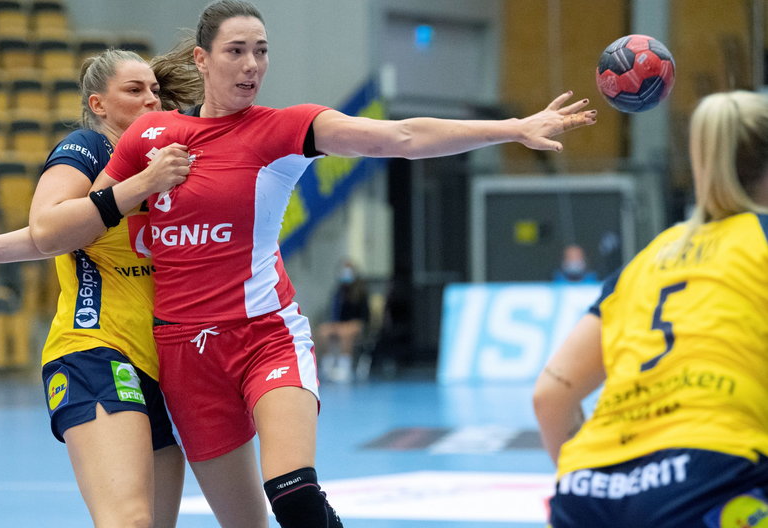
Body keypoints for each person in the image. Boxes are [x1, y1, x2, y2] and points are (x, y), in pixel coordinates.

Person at [93, 2, 597, 526]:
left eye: (261, 52)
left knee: (294, 493)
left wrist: (513, 128)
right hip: (184, 351)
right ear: (202, 59)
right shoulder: (152, 137)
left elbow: (402, 138)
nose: (251, 65)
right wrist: (7, 244)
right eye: (236, 52)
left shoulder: (283, 129)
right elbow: (89, 218)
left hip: (265, 336)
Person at [0, 47, 202, 528]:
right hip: (94, 349)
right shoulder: (90, 146)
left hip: (163, 360)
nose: (151, 100)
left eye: (154, 90)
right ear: (98, 104)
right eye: (134, 90)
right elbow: (50, 225)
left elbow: (69, 234)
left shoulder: (167, 160)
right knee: (128, 520)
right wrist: (144, 182)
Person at [533, 90, 768, 527]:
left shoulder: (647, 258)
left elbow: (551, 395)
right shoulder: (761, 239)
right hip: (711, 477)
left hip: (589, 489)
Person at [316, 260, 369, 383]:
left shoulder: (361, 291)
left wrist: (347, 325)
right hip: (339, 324)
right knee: (323, 331)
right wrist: (335, 324)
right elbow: (334, 313)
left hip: (357, 324)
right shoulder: (338, 291)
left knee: (345, 332)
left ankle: (344, 368)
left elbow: (364, 316)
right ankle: (327, 366)